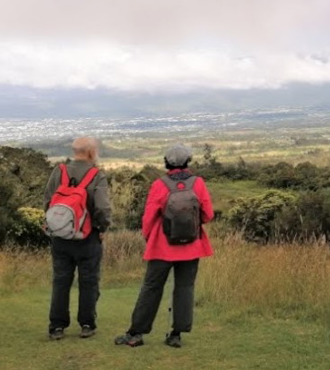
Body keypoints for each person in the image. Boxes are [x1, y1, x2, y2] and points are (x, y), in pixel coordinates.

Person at [115, 144, 214, 348]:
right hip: (192, 246)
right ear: (188, 161)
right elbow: (208, 214)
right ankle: (176, 334)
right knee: (185, 288)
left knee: (151, 288)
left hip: (162, 246)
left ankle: (136, 334)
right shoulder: (199, 183)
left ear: (166, 162)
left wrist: (148, 237)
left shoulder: (159, 185)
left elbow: (149, 218)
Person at [43, 137, 111, 340]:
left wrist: (57, 225)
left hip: (60, 237)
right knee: (89, 281)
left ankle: (57, 326)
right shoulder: (96, 175)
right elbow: (102, 208)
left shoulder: (59, 171)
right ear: (91, 152)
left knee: (60, 281)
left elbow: (47, 200)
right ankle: (87, 324)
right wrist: (102, 227)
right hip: (87, 237)